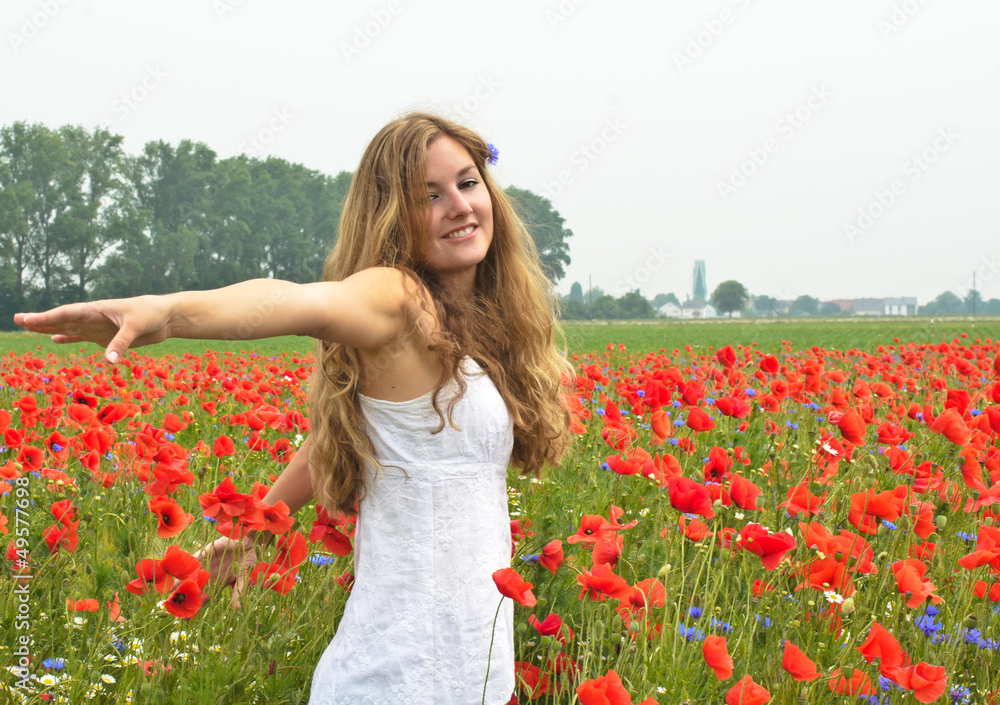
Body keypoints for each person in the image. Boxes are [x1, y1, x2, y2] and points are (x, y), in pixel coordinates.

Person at [15, 111, 573, 704]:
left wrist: (259, 521)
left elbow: (361, 433)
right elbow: (297, 301)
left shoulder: (484, 323)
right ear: (392, 217)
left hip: (474, 671)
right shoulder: (400, 300)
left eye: (467, 183)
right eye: (428, 196)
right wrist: (169, 312)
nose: (458, 206)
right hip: (398, 678)